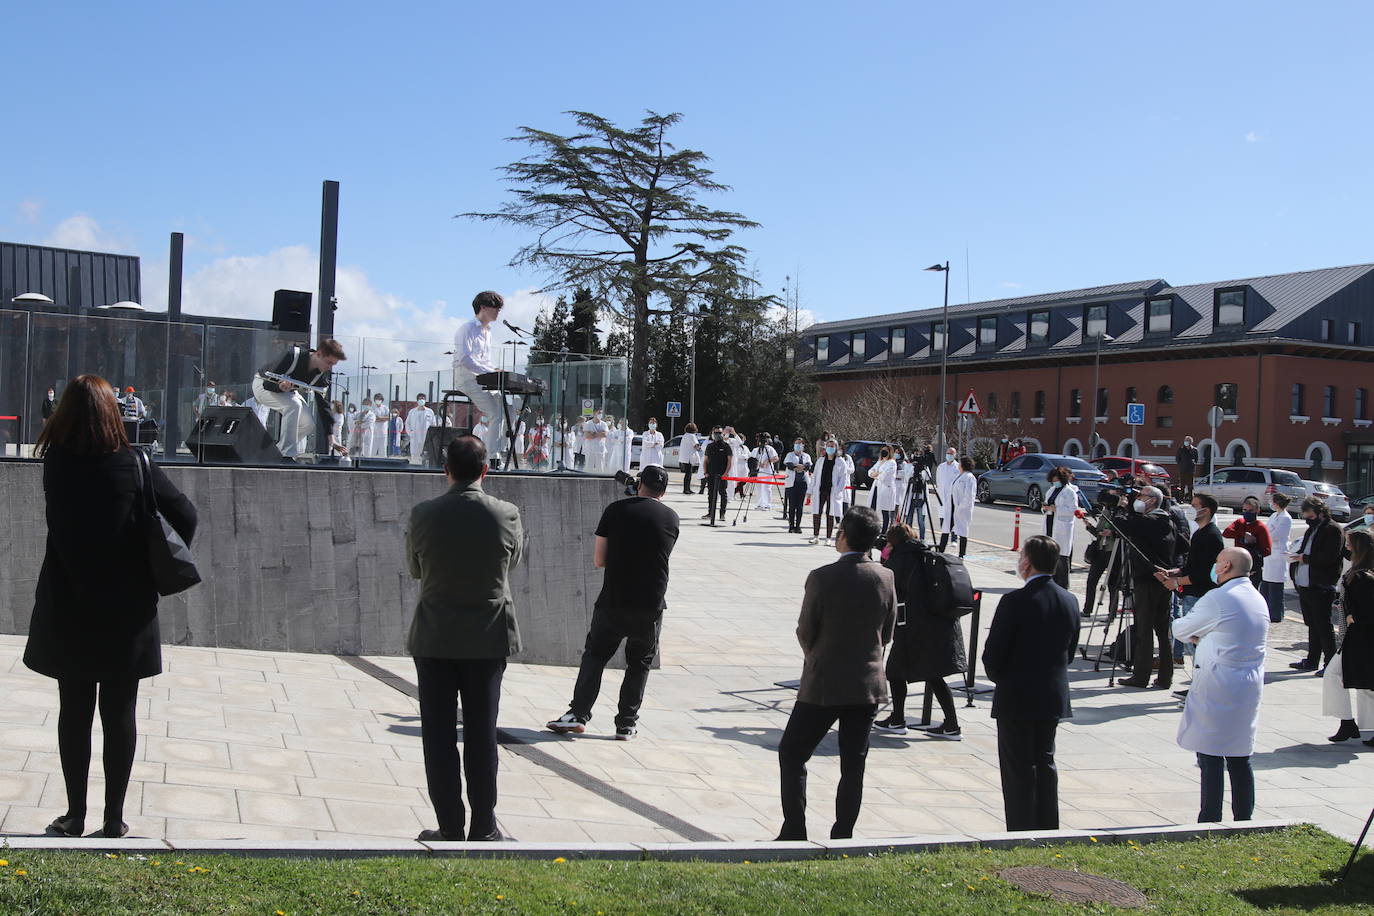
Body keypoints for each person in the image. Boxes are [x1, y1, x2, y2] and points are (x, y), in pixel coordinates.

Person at [24, 375, 198, 839]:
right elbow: (186, 514)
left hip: (70, 604)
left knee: (74, 710)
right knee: (120, 711)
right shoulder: (135, 462)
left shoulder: (55, 463)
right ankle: (114, 818)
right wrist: (148, 564)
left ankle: (74, 815)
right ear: (112, 412)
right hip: (128, 607)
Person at [405, 435, 523, 842]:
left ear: (446, 471)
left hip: (435, 637)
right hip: (488, 637)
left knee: (438, 735)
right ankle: (485, 826)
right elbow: (514, 561)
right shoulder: (506, 514)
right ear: (485, 471)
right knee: (481, 733)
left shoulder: (424, 514)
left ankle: (450, 826)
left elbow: (415, 568)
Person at [775, 506, 896, 841]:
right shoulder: (885, 576)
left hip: (825, 681)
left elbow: (805, 630)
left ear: (844, 535)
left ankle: (794, 828)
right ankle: (843, 832)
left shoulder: (822, 576)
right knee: (853, 762)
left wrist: (816, 657)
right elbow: (887, 631)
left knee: (792, 752)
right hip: (867, 682)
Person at [547, 466, 680, 739]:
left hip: (614, 599)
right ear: (664, 491)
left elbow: (599, 560)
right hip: (650, 603)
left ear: (640, 483)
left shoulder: (615, 510)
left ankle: (578, 713)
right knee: (639, 662)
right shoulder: (671, 518)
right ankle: (626, 723)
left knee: (595, 655)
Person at [982, 535, 1080, 831]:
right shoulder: (1069, 599)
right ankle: (1048, 824)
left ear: (1026, 562)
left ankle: (1021, 826)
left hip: (1017, 695)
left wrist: (1004, 680)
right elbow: (1070, 651)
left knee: (1018, 769)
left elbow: (993, 655)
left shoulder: (1014, 601)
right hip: (1051, 694)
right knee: (1044, 762)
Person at [1173, 547, 1268, 823]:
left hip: (1220, 683)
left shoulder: (1219, 597)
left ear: (1225, 566)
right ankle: (1243, 818)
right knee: (1239, 756)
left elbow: (1182, 629)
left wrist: (1199, 635)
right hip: (1247, 683)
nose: (1215, 566)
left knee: (1210, 753)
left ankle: (1210, 817)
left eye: (1217, 562)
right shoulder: (1257, 597)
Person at [874, 525, 966, 738]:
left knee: (895, 672)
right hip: (938, 625)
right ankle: (952, 724)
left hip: (914, 627)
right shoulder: (924, 555)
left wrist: (885, 558)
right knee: (934, 675)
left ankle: (897, 719)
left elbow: (890, 586)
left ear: (893, 543)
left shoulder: (900, 560)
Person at [1156, 493, 1225, 688]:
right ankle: (1200, 684)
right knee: (1193, 642)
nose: (1191, 509)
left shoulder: (1211, 536)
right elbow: (1192, 565)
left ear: (1207, 510)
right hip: (1192, 593)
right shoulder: (1200, 533)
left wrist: (1177, 582)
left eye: (1195, 505)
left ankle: (1203, 686)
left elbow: (1203, 573)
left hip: (1199, 595)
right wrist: (1173, 572)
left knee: (1197, 644)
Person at [1114, 485, 1179, 689]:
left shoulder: (1151, 520)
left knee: (1144, 629)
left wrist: (1122, 506)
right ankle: (1165, 676)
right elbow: (1183, 545)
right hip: (1164, 579)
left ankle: (1140, 676)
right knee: (1162, 630)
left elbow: (1122, 525)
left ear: (1152, 500)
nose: (1138, 498)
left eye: (1142, 496)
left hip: (1148, 580)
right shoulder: (1168, 521)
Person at [251, 340, 348, 461]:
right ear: (318, 354)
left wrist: (332, 439)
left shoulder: (321, 376)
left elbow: (324, 407)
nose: (329, 367)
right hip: (262, 385)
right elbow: (267, 384)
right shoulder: (292, 355)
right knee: (294, 405)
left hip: (288, 392)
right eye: (328, 362)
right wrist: (280, 386)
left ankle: (277, 451)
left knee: (308, 424)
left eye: (332, 364)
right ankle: (287, 455)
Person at [1325, 528, 1374, 744]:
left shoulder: (1364, 575)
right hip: (1353, 636)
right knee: (1355, 680)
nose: (1346, 546)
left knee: (1364, 682)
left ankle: (1351, 723)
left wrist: (1355, 616)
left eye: (1349, 543)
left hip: (1360, 636)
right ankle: (1348, 722)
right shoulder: (1358, 569)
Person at [451, 291, 507, 466]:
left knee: (508, 410)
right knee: (495, 413)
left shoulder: (488, 332)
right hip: (467, 378)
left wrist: (494, 370)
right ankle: (490, 459)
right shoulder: (467, 328)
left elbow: (485, 361)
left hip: (483, 379)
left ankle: (499, 452)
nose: (499, 311)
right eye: (496, 307)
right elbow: (465, 359)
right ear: (483, 307)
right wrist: (490, 371)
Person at [1290, 496, 1344, 673]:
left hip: (1321, 584)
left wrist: (1304, 558)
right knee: (1312, 624)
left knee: (1323, 625)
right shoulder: (1312, 529)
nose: (1307, 518)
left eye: (1309, 514)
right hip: (1306, 583)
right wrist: (1295, 555)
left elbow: (1329, 557)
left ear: (1320, 513)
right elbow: (1304, 549)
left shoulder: (1332, 529)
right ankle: (1312, 660)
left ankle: (1330, 663)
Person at [1044, 466, 1089, 586]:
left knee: (1062, 557)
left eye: (1056, 480)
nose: (1055, 483)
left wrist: (1056, 509)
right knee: (1051, 556)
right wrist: (1045, 508)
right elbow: (1047, 503)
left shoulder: (1070, 492)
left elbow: (1072, 510)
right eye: (1053, 481)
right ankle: (1051, 583)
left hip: (1062, 525)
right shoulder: (1051, 490)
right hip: (1050, 522)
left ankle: (1063, 584)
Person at [1223, 496, 1272, 589]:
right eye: (1245, 510)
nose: (1247, 513)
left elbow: (1267, 550)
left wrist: (1254, 545)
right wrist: (1242, 534)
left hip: (1252, 569)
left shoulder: (1261, 527)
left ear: (1257, 511)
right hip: (1237, 566)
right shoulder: (1240, 522)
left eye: (1250, 510)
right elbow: (1226, 533)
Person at [807, 439, 849, 546]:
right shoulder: (820, 460)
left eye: (832, 446)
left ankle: (828, 538)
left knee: (830, 515)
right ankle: (815, 536)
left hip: (832, 492)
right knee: (817, 513)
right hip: (820, 491)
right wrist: (810, 490)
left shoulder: (840, 462)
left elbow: (843, 480)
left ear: (836, 448)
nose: (830, 448)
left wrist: (838, 491)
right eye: (828, 446)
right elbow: (815, 476)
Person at [1261, 493, 1294, 624]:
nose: (1271, 503)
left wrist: (1267, 533)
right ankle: (1267, 611)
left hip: (1279, 553)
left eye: (1272, 501)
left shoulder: (1286, 518)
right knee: (1266, 585)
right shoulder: (1274, 515)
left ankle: (1276, 614)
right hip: (1270, 553)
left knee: (1276, 587)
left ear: (1277, 503)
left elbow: (1276, 535)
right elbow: (1266, 530)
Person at [939, 456, 977, 558]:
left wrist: (961, 507)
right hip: (952, 507)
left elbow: (969, 496)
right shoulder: (959, 476)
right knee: (946, 528)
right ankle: (940, 550)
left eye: (960, 464)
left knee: (963, 531)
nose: (958, 466)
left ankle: (962, 554)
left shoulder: (970, 477)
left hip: (961, 509)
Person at [702, 426, 732, 525]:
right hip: (711, 474)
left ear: (722, 434)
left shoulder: (726, 446)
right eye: (715, 433)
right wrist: (705, 472)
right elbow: (706, 460)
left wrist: (726, 473)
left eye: (719, 433)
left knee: (723, 493)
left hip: (722, 474)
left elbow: (729, 461)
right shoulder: (710, 446)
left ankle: (722, 514)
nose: (717, 435)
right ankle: (710, 513)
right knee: (711, 494)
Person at [783, 437, 813, 534]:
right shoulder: (789, 455)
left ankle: (798, 526)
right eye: (796, 443)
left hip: (803, 483)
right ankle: (791, 525)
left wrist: (801, 467)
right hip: (792, 483)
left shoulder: (806, 456)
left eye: (800, 444)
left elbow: (808, 466)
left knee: (800, 506)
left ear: (803, 445)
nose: (798, 445)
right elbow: (789, 465)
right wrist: (799, 467)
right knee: (792, 505)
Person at [868, 446, 899, 532]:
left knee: (885, 511)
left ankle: (884, 532)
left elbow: (884, 475)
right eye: (883, 451)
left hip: (886, 489)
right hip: (877, 488)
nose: (884, 453)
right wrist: (875, 474)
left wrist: (876, 475)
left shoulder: (892, 463)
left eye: (886, 451)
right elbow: (870, 472)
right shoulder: (880, 462)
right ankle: (872, 529)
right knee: (872, 509)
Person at [935, 447, 960, 547]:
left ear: (955, 455)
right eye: (948, 453)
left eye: (951, 454)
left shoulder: (957, 467)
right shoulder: (941, 467)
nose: (949, 455)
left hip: (952, 497)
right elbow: (938, 480)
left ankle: (954, 538)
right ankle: (944, 536)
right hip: (942, 496)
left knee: (953, 518)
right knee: (942, 517)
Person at [405, 395, 436, 464]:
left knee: (425, 454)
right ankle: (414, 467)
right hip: (415, 437)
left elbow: (433, 424)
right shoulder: (412, 412)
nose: (422, 400)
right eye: (420, 399)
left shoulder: (430, 412)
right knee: (414, 454)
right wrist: (410, 433)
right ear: (417, 400)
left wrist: (431, 435)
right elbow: (407, 423)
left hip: (426, 437)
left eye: (423, 399)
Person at [753, 433, 780, 511]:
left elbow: (776, 458)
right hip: (759, 471)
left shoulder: (770, 449)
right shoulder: (757, 449)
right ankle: (760, 504)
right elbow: (753, 459)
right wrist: (758, 464)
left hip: (768, 471)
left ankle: (767, 504)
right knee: (759, 487)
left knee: (766, 488)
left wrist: (768, 461)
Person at [678, 422, 700, 494]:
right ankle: (686, 489)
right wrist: (699, 448)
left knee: (688, 473)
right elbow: (696, 445)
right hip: (689, 458)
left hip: (685, 457)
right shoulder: (692, 436)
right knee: (689, 474)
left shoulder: (685, 435)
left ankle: (687, 488)